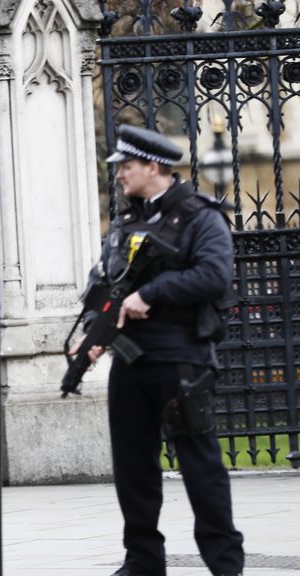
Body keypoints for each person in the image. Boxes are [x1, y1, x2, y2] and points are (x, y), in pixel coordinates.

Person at [72, 125, 244, 576]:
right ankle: (143, 561)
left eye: (126, 167)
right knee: (133, 468)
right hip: (130, 360)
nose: (120, 176)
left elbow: (214, 276)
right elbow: (104, 285)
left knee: (199, 465)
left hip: (181, 357)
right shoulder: (126, 223)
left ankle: (226, 564)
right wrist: (92, 334)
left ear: (153, 167)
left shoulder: (200, 216)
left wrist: (152, 294)